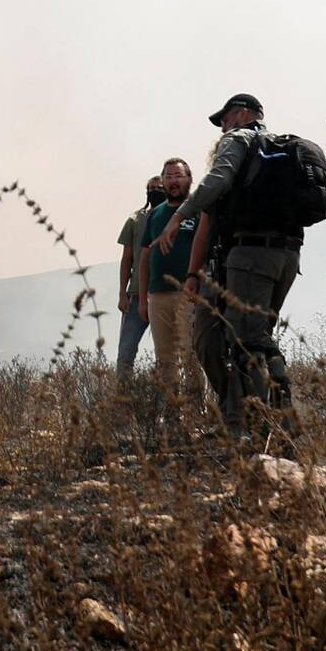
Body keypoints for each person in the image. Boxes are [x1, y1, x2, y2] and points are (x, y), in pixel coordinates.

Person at [159, 93, 302, 431]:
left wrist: (179, 216)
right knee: (248, 336)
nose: (221, 128)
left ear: (240, 115)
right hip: (285, 255)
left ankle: (264, 424)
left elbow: (214, 193)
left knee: (243, 340)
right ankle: (249, 419)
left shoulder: (239, 143)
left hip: (243, 260)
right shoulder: (278, 153)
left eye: (223, 119)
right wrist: (195, 273)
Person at [138, 159, 202, 401]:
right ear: (163, 181)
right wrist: (143, 300)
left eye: (179, 176)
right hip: (158, 295)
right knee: (164, 357)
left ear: (189, 179)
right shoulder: (155, 215)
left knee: (191, 354)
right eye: (169, 176)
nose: (174, 181)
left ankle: (197, 410)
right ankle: (173, 412)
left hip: (189, 293)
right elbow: (144, 257)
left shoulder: (198, 211)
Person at [116, 176, 165, 376]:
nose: (155, 191)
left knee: (166, 355)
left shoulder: (177, 216)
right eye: (151, 188)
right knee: (126, 353)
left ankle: (169, 403)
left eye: (159, 188)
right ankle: (124, 401)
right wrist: (122, 293)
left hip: (164, 294)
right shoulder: (135, 220)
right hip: (136, 295)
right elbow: (127, 258)